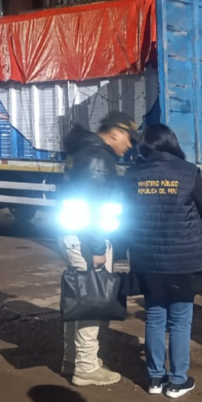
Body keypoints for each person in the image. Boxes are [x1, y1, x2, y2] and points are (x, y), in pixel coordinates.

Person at [121, 123, 202, 400]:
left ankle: (155, 378)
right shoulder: (187, 172)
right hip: (183, 260)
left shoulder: (132, 175)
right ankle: (178, 381)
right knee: (180, 320)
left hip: (147, 259)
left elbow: (125, 214)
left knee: (155, 318)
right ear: (172, 142)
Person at [59, 111, 135, 387]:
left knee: (79, 298)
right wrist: (97, 247)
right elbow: (94, 206)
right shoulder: (98, 159)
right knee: (91, 300)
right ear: (115, 132)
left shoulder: (84, 151)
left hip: (74, 235)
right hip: (87, 240)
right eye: (128, 138)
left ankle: (72, 360)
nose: (129, 145)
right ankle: (86, 367)